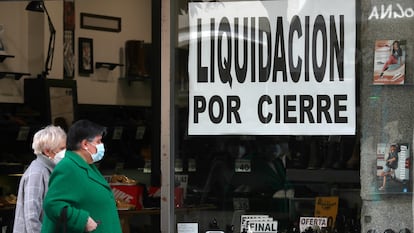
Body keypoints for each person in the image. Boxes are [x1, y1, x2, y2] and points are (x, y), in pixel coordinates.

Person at [41, 119, 122, 233]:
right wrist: (83, 220)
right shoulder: (68, 167)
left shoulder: (87, 165)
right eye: (98, 142)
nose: (101, 146)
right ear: (85, 144)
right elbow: (52, 204)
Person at [13, 125, 67, 233]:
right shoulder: (37, 172)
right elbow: (31, 218)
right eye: (62, 148)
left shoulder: (49, 170)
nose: (65, 152)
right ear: (47, 151)